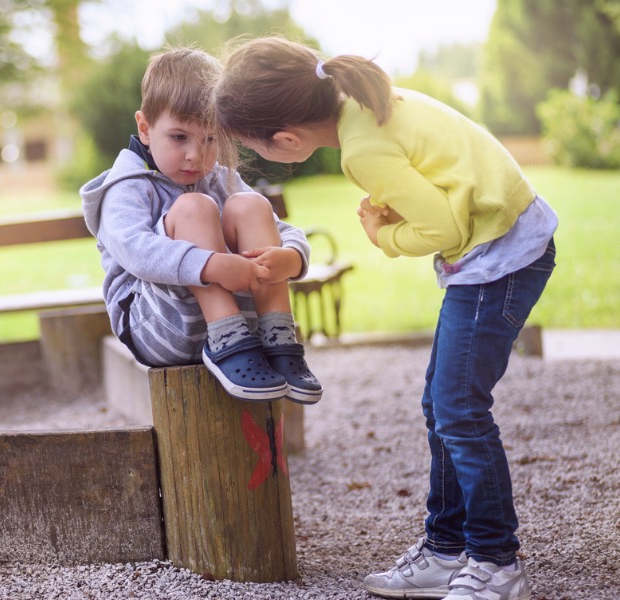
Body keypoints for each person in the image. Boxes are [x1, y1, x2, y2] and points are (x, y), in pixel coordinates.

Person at [213, 37, 556, 600]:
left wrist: (383, 235)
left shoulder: (360, 150)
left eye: (256, 149)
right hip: (504, 238)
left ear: (288, 139)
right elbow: (444, 177)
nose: (259, 159)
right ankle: (445, 550)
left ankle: (497, 560)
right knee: (442, 404)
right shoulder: (367, 101)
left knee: (459, 409)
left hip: (502, 256)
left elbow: (443, 231)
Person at [80, 47, 323, 404]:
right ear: (145, 128)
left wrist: (292, 256)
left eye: (210, 139)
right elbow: (135, 251)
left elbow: (278, 227)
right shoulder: (127, 186)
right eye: (179, 137)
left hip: (246, 331)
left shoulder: (220, 177)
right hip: (159, 327)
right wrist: (209, 265)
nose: (196, 155)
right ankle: (228, 340)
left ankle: (279, 336)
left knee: (250, 204)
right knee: (194, 207)